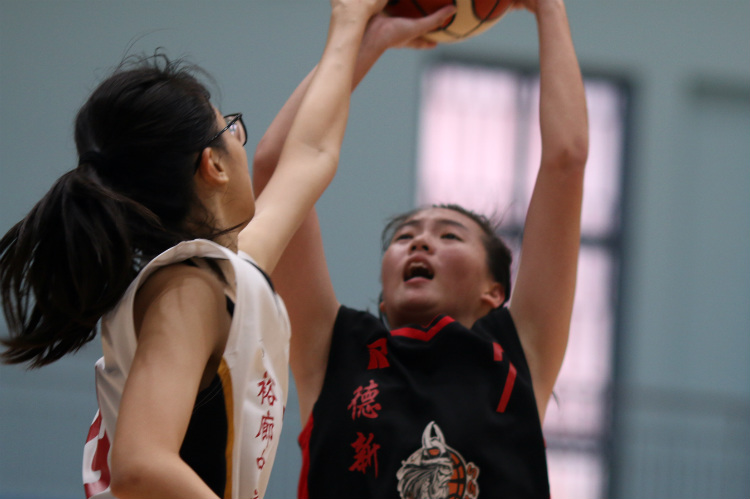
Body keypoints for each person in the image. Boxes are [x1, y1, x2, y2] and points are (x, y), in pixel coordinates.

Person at [0, 1, 407, 497]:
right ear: (212, 165)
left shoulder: (222, 274)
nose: (241, 137)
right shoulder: (190, 290)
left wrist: (362, 31)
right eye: (232, 127)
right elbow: (142, 464)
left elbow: (310, 155)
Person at [252, 0, 589, 497]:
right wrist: (367, 43)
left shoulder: (522, 351)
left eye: (449, 235)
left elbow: (566, 160)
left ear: (494, 292)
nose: (421, 240)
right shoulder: (332, 349)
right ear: (384, 296)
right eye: (405, 237)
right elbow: (275, 167)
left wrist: (550, 11)